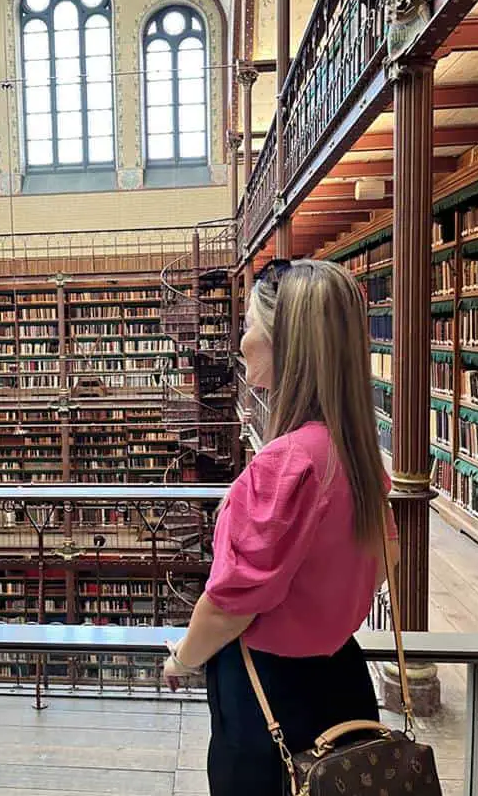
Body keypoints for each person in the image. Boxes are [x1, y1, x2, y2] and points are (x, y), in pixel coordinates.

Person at [163, 258, 400, 795]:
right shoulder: (355, 453)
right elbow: (387, 565)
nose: (240, 342)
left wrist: (181, 657)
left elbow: (228, 607)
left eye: (248, 325)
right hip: (342, 682)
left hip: (269, 701)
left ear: (282, 343)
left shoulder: (284, 465)